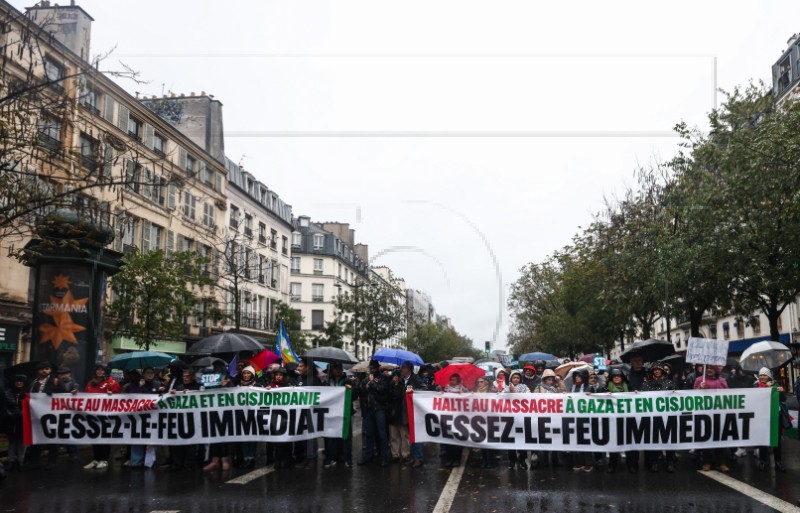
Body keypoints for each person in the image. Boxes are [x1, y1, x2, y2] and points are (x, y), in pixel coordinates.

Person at [83, 362, 121, 470]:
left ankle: (103, 459)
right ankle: (95, 459)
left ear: (106, 371)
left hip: (106, 416)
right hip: (93, 415)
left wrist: (112, 395)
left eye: (102, 370)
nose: (100, 372)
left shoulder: (112, 383)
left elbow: (119, 398)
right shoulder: (91, 383)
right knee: (94, 436)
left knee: (104, 437)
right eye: (98, 369)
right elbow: (85, 396)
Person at [693, 365, 730, 472]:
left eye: (711, 368)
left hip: (719, 413)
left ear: (716, 370)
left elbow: (729, 394)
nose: (709, 370)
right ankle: (706, 462)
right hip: (705, 414)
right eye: (707, 368)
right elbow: (692, 396)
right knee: (706, 438)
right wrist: (701, 388)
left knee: (720, 438)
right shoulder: (699, 380)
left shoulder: (722, 380)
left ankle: (721, 462)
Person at [358, 360, 391, 467]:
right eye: (370, 368)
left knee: (382, 434)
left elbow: (383, 389)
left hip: (379, 408)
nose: (372, 370)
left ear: (377, 368)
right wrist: (365, 387)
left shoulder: (383, 378)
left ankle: (384, 457)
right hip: (368, 409)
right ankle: (368, 456)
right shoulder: (367, 378)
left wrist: (372, 383)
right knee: (368, 434)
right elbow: (360, 389)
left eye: (373, 368)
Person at [644, 362, 676, 473]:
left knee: (669, 439)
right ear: (652, 371)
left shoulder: (670, 383)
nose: (657, 371)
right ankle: (654, 462)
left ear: (662, 371)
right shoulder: (646, 385)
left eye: (659, 369)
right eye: (655, 370)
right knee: (654, 440)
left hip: (668, 416)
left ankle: (670, 462)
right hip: (653, 418)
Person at [323, 363, 355, 468]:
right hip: (332, 412)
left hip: (344, 412)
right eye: (335, 369)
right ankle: (332, 457)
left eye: (339, 369)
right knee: (331, 436)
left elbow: (354, 395)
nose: (337, 371)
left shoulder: (347, 381)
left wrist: (351, 389)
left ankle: (347, 459)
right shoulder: (328, 382)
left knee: (346, 436)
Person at [755, 367, 786, 472]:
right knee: (762, 439)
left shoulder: (775, 384)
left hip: (775, 416)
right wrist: (764, 388)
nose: (762, 377)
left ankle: (778, 462)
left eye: (764, 375)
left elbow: (783, 399)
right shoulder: (755, 385)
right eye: (761, 375)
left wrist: (781, 392)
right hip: (762, 416)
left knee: (776, 440)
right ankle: (762, 461)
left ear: (769, 376)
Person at [28, 361, 59, 469]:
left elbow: (65, 393)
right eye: (41, 369)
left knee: (51, 438)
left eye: (46, 368)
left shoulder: (55, 381)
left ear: (50, 370)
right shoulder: (34, 382)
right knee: (36, 437)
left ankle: (52, 461)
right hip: (36, 414)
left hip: (50, 414)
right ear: (38, 371)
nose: (44, 371)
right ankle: (34, 460)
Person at [235, 365, 261, 469]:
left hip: (253, 415)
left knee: (252, 437)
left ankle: (251, 458)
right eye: (244, 373)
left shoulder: (258, 385)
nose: (246, 375)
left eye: (248, 373)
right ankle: (245, 458)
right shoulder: (237, 386)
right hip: (241, 414)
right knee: (244, 437)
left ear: (252, 375)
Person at [504, 370, 529, 470]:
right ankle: (512, 460)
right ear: (511, 379)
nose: (516, 379)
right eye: (514, 377)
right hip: (510, 417)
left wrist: (515, 392)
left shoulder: (525, 388)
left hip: (521, 417)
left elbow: (529, 397)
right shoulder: (506, 388)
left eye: (518, 378)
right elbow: (500, 398)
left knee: (522, 439)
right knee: (511, 439)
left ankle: (522, 460)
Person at [604, 368, 628, 473]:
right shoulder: (605, 388)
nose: (617, 377)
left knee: (624, 435)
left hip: (624, 417)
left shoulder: (628, 388)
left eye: (619, 376)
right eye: (614, 376)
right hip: (611, 418)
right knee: (612, 436)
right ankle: (612, 463)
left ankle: (623, 451)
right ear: (611, 378)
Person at [3, 375, 29, 471]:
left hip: (23, 420)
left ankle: (20, 461)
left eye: (21, 381)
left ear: (24, 383)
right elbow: (4, 406)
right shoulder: (7, 393)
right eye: (17, 381)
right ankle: (11, 461)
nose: (19, 383)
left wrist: (22, 413)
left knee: (22, 442)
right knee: (12, 442)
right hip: (11, 421)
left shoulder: (28, 393)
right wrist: (10, 414)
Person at [474, 376, 498, 468]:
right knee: (482, 441)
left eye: (481, 382)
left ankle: (491, 460)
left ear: (486, 382)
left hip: (490, 419)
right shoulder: (474, 391)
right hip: (479, 419)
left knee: (490, 440)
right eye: (478, 382)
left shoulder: (492, 391)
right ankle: (484, 460)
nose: (479, 384)